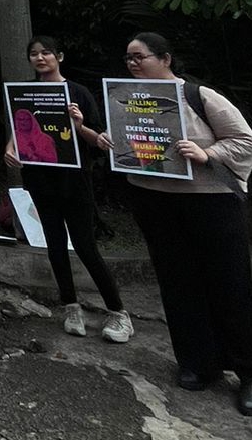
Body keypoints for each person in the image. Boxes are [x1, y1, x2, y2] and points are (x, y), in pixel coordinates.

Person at [99, 33, 252, 415]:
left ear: (165, 58)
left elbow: (244, 139)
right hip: (154, 201)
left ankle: (248, 372)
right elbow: (127, 141)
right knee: (177, 282)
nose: (133, 64)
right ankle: (199, 364)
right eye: (128, 58)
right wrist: (110, 139)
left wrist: (206, 152)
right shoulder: (125, 98)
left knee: (230, 283)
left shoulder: (199, 96)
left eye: (140, 57)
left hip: (210, 202)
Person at [3, 36, 131, 342]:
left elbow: (99, 140)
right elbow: (18, 128)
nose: (40, 58)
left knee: (86, 246)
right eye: (33, 54)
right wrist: (9, 148)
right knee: (56, 246)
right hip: (39, 179)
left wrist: (80, 125)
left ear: (59, 56)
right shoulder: (26, 93)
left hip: (74, 181)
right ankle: (70, 306)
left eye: (46, 52)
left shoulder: (78, 93)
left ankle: (118, 312)